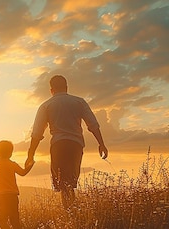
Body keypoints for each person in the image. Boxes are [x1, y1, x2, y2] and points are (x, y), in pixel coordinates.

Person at [25, 75, 108, 209]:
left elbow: (37, 132)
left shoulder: (46, 105)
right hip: (76, 145)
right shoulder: (79, 102)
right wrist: (101, 143)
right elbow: (93, 124)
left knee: (63, 185)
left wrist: (31, 154)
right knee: (70, 183)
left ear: (51, 90)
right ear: (67, 87)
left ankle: (69, 213)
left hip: (58, 146)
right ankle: (72, 212)